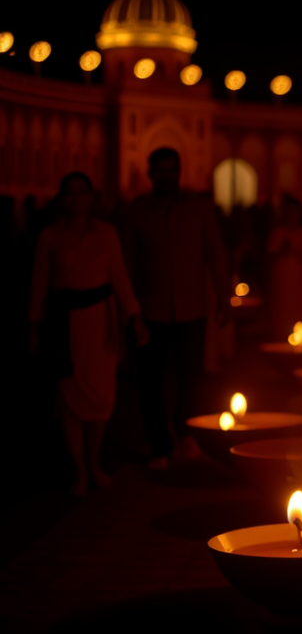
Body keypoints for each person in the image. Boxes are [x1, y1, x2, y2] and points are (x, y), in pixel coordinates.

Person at [29, 172, 147, 495]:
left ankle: (94, 461)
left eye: (83, 192)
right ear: (62, 198)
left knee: (101, 394)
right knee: (69, 396)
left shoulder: (106, 234)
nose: (77, 198)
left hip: (100, 322)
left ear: (92, 198)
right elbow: (39, 282)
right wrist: (34, 325)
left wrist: (134, 316)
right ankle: (79, 469)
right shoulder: (50, 236)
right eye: (71, 192)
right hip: (64, 324)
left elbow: (119, 277)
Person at [121, 148, 229, 469]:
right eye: (160, 171)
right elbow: (127, 263)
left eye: (171, 170)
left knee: (191, 377)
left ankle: (185, 433)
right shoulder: (137, 213)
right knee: (150, 379)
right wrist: (130, 309)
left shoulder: (199, 209)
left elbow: (216, 254)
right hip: (150, 309)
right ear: (150, 174)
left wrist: (224, 297)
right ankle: (159, 443)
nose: (166, 176)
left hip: (191, 308)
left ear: (179, 173)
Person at [268, 195, 302, 339]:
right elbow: (270, 257)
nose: (292, 215)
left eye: (296, 211)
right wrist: (282, 251)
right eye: (289, 211)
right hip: (283, 285)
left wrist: (297, 251)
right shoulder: (278, 233)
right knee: (283, 312)